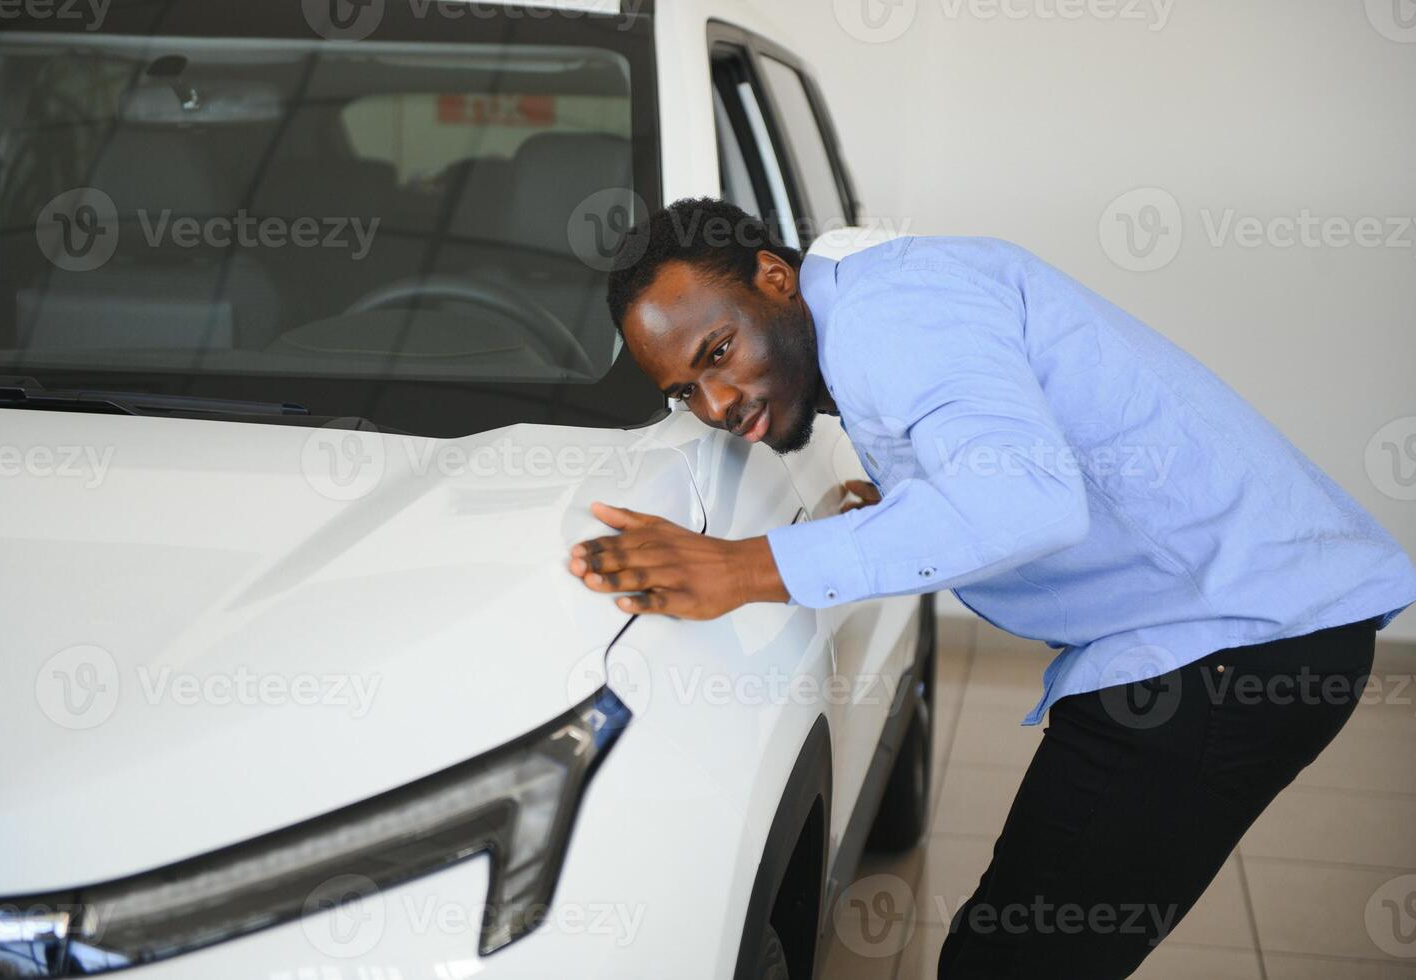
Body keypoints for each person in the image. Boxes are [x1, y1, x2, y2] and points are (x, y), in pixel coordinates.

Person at [565, 197, 1416, 978]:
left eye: (717, 352)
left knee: (1007, 966)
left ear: (775, 278)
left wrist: (741, 567)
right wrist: (908, 497)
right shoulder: (883, 297)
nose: (716, 403)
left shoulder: (885, 318)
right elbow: (1003, 458)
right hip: (1228, 630)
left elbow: (1020, 502)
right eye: (684, 393)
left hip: (1228, 648)